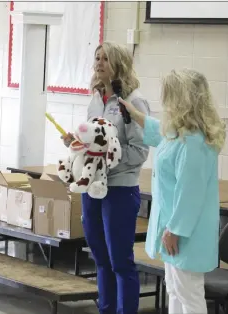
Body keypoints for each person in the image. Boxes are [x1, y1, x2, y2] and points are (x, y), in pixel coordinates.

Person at [118, 68, 226, 314]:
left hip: (185, 233)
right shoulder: (181, 134)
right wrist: (136, 115)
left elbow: (191, 193)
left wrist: (175, 230)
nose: (164, 102)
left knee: (189, 293)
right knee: (176, 289)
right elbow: (161, 133)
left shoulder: (194, 143)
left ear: (181, 100)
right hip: (177, 230)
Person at [63, 41, 150, 314]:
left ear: (119, 64)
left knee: (120, 262)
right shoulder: (95, 100)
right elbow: (94, 141)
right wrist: (77, 143)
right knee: (100, 258)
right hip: (93, 188)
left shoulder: (133, 102)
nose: (98, 63)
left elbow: (139, 151)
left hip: (120, 189)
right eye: (97, 58)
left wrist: (106, 159)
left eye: (105, 59)